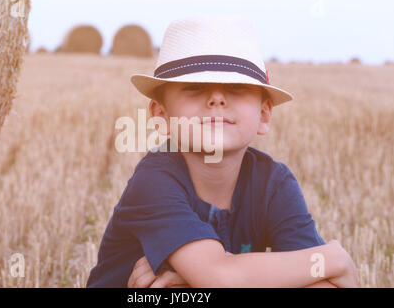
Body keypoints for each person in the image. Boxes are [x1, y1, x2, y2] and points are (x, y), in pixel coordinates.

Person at [86, 16, 359, 288]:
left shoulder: (274, 184)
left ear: (264, 115)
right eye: (194, 88)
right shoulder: (153, 181)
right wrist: (333, 258)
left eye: (236, 87)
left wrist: (202, 279)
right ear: (161, 116)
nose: (217, 98)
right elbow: (220, 276)